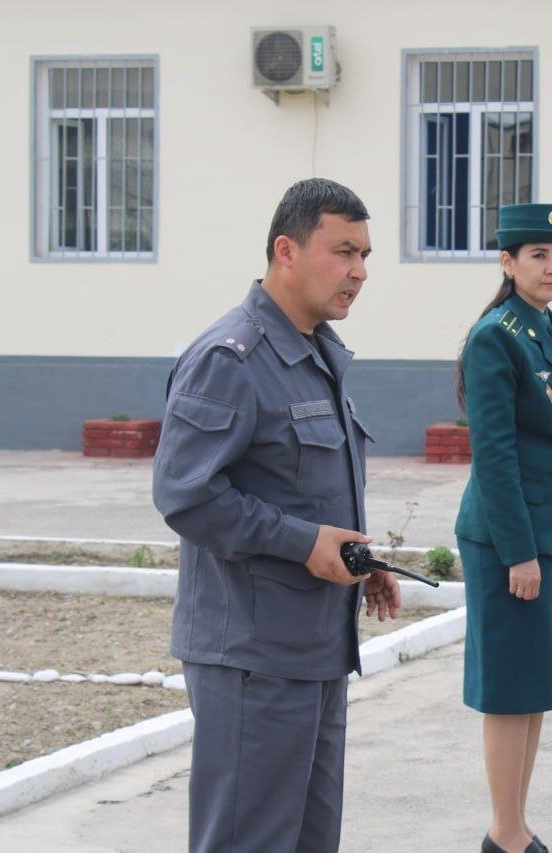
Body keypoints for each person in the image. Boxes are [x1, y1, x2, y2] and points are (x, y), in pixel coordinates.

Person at [152, 178, 402, 852]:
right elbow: (186, 493)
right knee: (249, 840)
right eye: (343, 251)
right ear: (285, 250)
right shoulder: (230, 358)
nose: (359, 271)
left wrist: (355, 559)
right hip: (253, 657)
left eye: (366, 254)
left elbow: (301, 486)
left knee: (309, 840)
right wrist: (303, 542)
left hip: (314, 647)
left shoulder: (314, 352)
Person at [454, 203, 552, 853]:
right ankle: (504, 832)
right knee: (509, 687)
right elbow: (495, 453)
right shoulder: (495, 336)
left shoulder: (542, 323)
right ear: (508, 263)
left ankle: (516, 823)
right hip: (512, 538)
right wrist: (519, 552)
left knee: (532, 682)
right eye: (538, 254)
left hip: (546, 529)